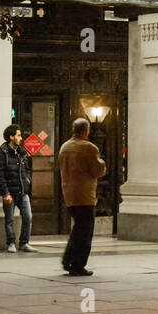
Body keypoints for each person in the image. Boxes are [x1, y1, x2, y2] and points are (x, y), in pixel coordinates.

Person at [58, 117, 106, 276]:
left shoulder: (65, 147)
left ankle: (68, 259)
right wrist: (102, 164)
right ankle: (77, 264)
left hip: (69, 194)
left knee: (78, 228)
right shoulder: (89, 148)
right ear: (86, 131)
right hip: (85, 195)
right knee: (85, 232)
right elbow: (98, 171)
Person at [0, 124, 35, 254]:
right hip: (10, 192)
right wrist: (5, 193)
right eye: (18, 135)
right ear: (11, 137)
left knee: (28, 217)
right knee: (9, 219)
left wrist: (27, 180)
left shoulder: (21, 153)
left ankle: (24, 242)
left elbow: (27, 169)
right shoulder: (1, 154)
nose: (21, 138)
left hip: (22, 191)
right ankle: (11, 242)